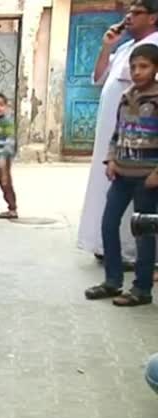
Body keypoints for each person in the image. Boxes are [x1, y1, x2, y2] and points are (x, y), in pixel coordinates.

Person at [78, 0, 158, 266]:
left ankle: (134, 256)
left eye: (137, 13)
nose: (129, 17)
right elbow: (99, 77)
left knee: (139, 205)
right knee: (107, 195)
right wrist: (107, 46)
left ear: (153, 18)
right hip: (116, 138)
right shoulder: (125, 47)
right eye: (129, 12)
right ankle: (108, 248)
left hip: (142, 143)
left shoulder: (154, 46)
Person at [85, 43, 158, 307]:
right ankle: (112, 281)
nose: (137, 72)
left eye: (144, 66)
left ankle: (141, 288)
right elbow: (118, 133)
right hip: (122, 175)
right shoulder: (126, 96)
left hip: (147, 179)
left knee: (144, 233)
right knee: (108, 224)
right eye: (134, 66)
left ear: (155, 68)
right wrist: (111, 159)